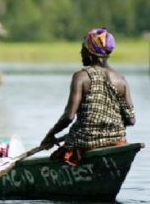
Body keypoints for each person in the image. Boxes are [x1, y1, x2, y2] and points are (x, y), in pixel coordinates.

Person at [40, 28, 136, 166]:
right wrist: (108, 127)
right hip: (117, 142)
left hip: (85, 143)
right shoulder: (121, 80)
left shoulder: (81, 77)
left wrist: (50, 135)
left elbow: (69, 117)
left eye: (83, 49)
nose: (81, 53)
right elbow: (131, 120)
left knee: (59, 156)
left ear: (91, 53)